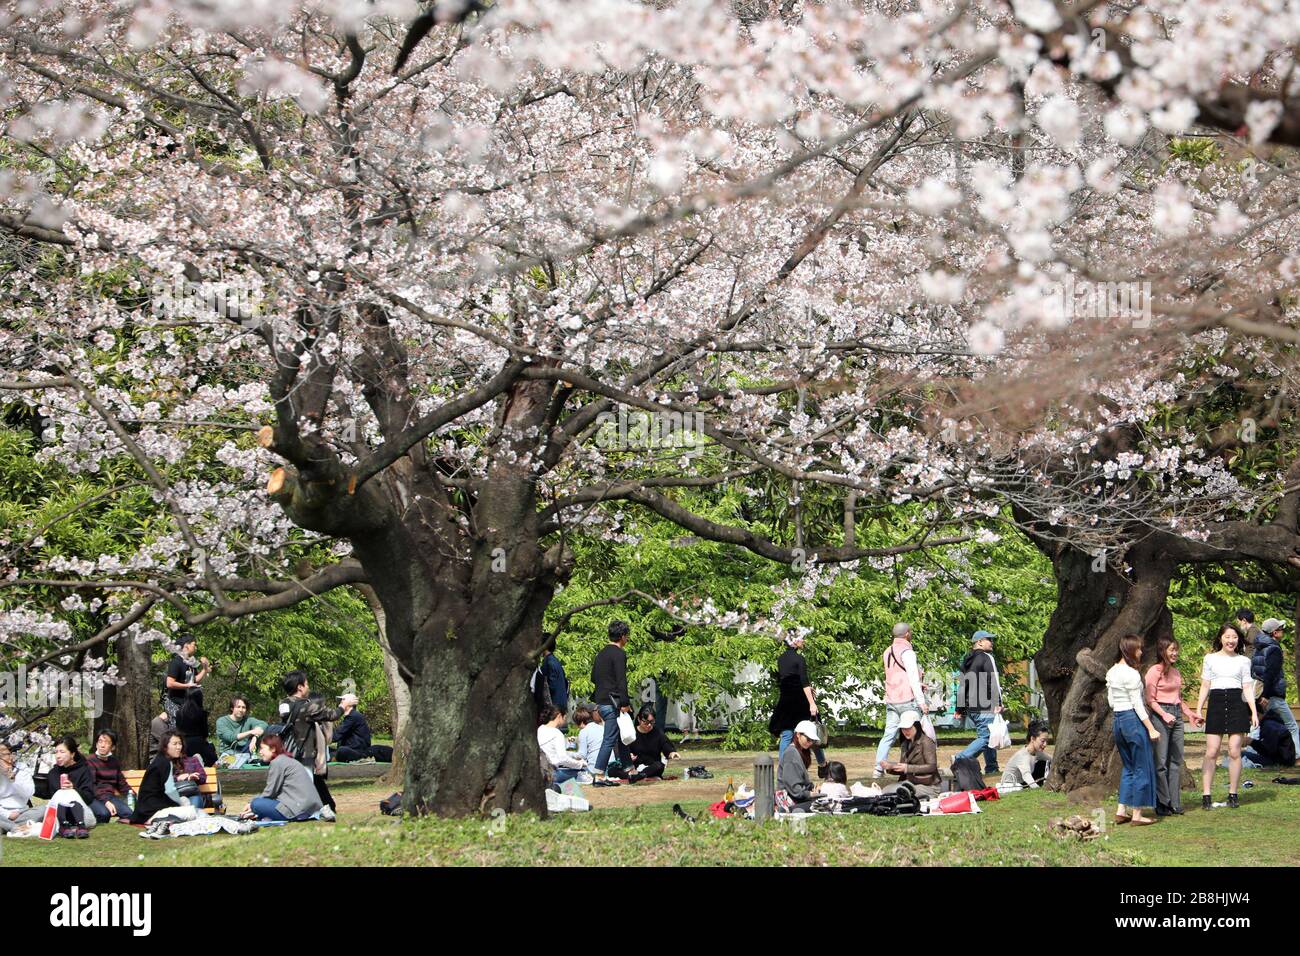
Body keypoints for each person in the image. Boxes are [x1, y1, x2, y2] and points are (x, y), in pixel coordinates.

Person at [1196, 623, 1261, 809]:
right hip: (1216, 702)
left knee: (1234, 751)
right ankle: (1206, 794)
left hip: (1236, 703)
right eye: (1227, 637)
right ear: (1220, 639)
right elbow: (1205, 685)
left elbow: (1247, 687)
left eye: (1234, 637)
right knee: (1211, 751)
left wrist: (1254, 712)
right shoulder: (1209, 659)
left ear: (1238, 639)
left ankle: (1233, 793)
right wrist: (1199, 709)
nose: (1231, 640)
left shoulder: (1243, 661)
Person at [1143, 636, 1202, 816]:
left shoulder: (1176, 673)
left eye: (1176, 649)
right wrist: (1163, 714)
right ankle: (1162, 802)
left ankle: (1175, 802)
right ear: (1163, 651)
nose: (1175, 653)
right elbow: (1149, 699)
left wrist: (1190, 714)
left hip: (1176, 714)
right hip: (1161, 716)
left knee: (1176, 760)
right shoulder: (1154, 671)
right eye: (1171, 650)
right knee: (1160, 762)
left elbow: (1179, 699)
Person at [1106, 634, 1160, 826]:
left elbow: (1111, 701)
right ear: (1130, 651)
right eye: (1138, 649)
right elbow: (1137, 704)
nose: (1141, 652)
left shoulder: (1112, 671)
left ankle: (1121, 811)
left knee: (1128, 767)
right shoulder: (1131, 673)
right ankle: (1137, 814)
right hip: (1132, 720)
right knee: (1142, 767)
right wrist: (1151, 728)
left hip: (1118, 721)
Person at [278, 670, 343, 817]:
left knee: (312, 783)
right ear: (300, 687)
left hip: (289, 751)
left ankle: (327, 806)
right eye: (306, 684)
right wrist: (344, 706)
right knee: (306, 786)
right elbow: (332, 715)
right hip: (304, 753)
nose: (308, 687)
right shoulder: (306, 707)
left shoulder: (283, 704)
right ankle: (312, 811)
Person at [9, 736, 98, 837]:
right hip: (59, 813)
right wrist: (24, 782)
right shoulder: (54, 772)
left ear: (72, 754)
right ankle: (64, 826)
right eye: (56, 752)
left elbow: (89, 797)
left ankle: (78, 826)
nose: (58, 756)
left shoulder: (83, 770)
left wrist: (74, 789)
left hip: (79, 813)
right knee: (46, 805)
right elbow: (48, 793)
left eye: (62, 752)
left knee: (66, 792)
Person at [873, 623, 926, 779]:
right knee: (916, 735)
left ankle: (878, 768)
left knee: (889, 735)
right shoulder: (907, 652)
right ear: (907, 634)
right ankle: (917, 765)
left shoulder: (887, 651)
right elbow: (912, 678)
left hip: (891, 699)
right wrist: (921, 701)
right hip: (907, 699)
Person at [770, 634, 828, 777]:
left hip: (786, 702)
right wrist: (812, 703)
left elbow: (787, 680)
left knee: (787, 735)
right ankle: (822, 764)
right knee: (811, 734)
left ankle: (783, 771)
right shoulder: (799, 659)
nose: (803, 641)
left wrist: (805, 687)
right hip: (800, 702)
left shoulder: (781, 659)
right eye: (801, 638)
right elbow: (804, 681)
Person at [131, 731, 201, 838]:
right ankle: (163, 824)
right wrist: (179, 804)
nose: (179, 747)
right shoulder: (164, 763)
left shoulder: (161, 760)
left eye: (180, 743)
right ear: (165, 746)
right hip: (151, 813)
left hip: (148, 809)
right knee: (192, 811)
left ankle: (168, 823)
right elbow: (170, 791)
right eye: (174, 744)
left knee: (185, 801)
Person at [952, 629, 1002, 776]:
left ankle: (992, 768)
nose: (991, 643)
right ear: (979, 642)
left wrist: (959, 708)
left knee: (988, 735)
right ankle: (960, 759)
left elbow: (962, 685)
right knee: (986, 738)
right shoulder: (987, 657)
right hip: (985, 705)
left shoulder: (966, 659)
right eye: (989, 639)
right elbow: (991, 680)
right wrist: (997, 702)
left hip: (972, 707)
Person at [242, 734, 323, 822]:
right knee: (259, 803)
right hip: (309, 808)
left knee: (256, 804)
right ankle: (263, 815)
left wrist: (251, 804)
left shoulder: (277, 762)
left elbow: (270, 792)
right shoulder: (287, 760)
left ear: (273, 749)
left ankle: (260, 814)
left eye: (262, 748)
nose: (260, 752)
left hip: (297, 809)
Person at [591, 619, 633, 781]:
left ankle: (630, 769)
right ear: (622, 636)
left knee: (620, 736)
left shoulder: (601, 654)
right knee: (609, 739)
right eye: (626, 636)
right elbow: (621, 680)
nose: (627, 639)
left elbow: (593, 677)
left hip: (601, 702)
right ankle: (599, 774)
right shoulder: (619, 654)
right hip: (612, 703)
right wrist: (624, 703)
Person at [1252, 618, 1299, 758]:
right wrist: (1266, 695)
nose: (1283, 631)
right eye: (1281, 629)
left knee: (1256, 724)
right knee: (1292, 726)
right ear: (1274, 632)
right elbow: (1271, 674)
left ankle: (1251, 752)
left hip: (1258, 692)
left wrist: (1261, 695)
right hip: (1272, 694)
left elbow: (1254, 671)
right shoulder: (1274, 649)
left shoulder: (1258, 647)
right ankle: (1296, 756)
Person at [880, 710, 942, 799]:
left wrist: (907, 768)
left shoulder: (927, 742)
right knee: (886, 790)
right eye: (903, 728)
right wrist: (890, 767)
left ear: (917, 726)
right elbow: (903, 768)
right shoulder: (905, 744)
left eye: (908, 728)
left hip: (928, 786)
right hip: (910, 782)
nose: (905, 731)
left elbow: (931, 766)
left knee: (899, 793)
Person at [620, 704, 680, 784]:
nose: (649, 725)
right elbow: (624, 749)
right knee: (613, 770)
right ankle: (636, 775)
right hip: (634, 766)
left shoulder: (657, 732)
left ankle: (639, 776)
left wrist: (671, 753)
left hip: (651, 767)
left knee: (659, 765)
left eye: (652, 722)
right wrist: (629, 756)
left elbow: (666, 745)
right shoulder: (632, 733)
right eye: (646, 722)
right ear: (639, 719)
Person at [86, 729, 134, 823]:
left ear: (113, 747)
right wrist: (106, 802)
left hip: (110, 796)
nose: (102, 745)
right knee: (104, 814)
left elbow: (122, 784)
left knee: (129, 813)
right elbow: (91, 786)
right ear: (96, 744)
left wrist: (133, 796)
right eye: (100, 741)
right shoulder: (90, 761)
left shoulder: (114, 762)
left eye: (107, 742)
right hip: (94, 797)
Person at [163, 635, 209, 727]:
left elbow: (194, 680)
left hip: (187, 704)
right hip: (175, 703)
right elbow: (170, 683)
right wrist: (188, 686)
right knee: (177, 730)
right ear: (186, 646)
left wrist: (204, 669)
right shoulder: (176, 662)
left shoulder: (190, 663)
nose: (196, 648)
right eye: (194, 645)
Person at [537, 704, 586, 789]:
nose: (565, 721)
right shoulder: (557, 733)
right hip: (554, 772)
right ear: (559, 716)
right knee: (584, 771)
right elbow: (562, 758)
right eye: (564, 718)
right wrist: (580, 764)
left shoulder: (539, 729)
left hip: (541, 771)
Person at [776, 719, 821, 810]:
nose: (810, 743)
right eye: (808, 739)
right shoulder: (791, 753)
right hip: (789, 800)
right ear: (798, 734)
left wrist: (813, 788)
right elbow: (794, 789)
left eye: (813, 740)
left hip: (796, 797)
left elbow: (801, 783)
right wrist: (810, 794)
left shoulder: (800, 752)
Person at [216, 696, 267, 768]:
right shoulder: (222, 721)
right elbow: (231, 737)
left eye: (243, 707)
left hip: (245, 752)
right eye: (238, 707)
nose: (241, 710)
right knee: (228, 765)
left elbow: (264, 724)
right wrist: (251, 732)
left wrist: (255, 737)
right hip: (228, 754)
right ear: (232, 708)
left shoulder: (248, 720)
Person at [999, 720, 1052, 791]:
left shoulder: (1037, 752)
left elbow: (1053, 759)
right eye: (1043, 741)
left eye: (1047, 741)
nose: (1045, 744)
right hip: (1012, 785)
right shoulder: (1023, 755)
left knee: (1045, 763)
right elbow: (1026, 775)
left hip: (1022, 783)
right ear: (1033, 738)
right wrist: (1038, 790)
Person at [175, 688, 218, 767]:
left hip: (184, 743)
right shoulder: (202, 713)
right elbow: (205, 733)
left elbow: (178, 730)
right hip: (199, 742)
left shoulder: (179, 713)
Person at [0, 740, 35, 834]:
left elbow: (29, 793)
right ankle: (15, 827)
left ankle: (6, 826)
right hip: (2, 813)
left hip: (22, 812)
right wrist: (7, 814)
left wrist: (12, 778)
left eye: (4, 754)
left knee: (45, 809)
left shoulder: (22, 768)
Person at [333, 693, 377, 762]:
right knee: (330, 751)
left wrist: (321, 739)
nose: (339, 705)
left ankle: (362, 757)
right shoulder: (351, 716)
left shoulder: (353, 716)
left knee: (341, 751)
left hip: (358, 751)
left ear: (349, 704)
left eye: (342, 702)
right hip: (351, 748)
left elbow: (337, 735)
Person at [540, 637, 570, 713]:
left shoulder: (549, 663)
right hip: (561, 705)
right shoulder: (555, 661)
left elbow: (551, 687)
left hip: (555, 708)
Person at [574, 706, 604, 771]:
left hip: (595, 766)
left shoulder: (584, 731)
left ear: (581, 722)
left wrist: (568, 754)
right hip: (610, 763)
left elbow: (582, 755)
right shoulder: (602, 728)